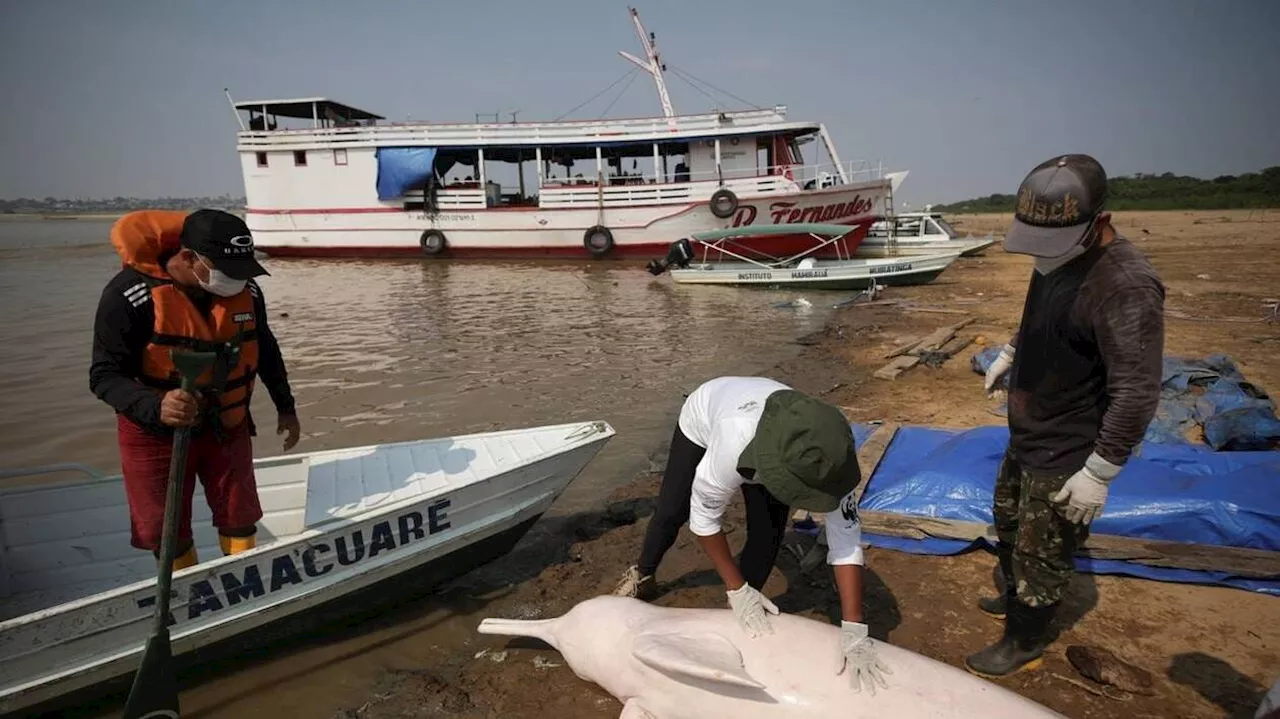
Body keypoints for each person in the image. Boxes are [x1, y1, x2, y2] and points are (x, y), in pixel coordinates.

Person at [969, 154, 1164, 678]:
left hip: (1070, 448)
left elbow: (1137, 390)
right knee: (1010, 521)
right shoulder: (1056, 257)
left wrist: (1099, 471)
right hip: (1031, 431)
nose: (1041, 255)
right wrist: (1013, 352)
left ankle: (1024, 636)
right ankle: (1014, 595)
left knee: (1044, 551)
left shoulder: (1124, 286)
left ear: (1098, 223)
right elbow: (1039, 309)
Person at [613, 376, 890, 694]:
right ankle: (644, 573)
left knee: (766, 539)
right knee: (671, 512)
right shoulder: (732, 442)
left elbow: (846, 543)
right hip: (707, 418)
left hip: (781, 442)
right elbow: (704, 520)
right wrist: (735, 587)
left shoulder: (831, 463)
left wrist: (854, 627)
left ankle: (741, 622)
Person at [90, 209, 300, 571]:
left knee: (239, 514)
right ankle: (185, 590)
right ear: (189, 258)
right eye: (228, 271)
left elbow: (263, 347)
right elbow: (104, 376)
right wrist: (156, 405)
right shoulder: (129, 296)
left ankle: (243, 580)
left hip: (226, 422)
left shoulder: (246, 289)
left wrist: (286, 406)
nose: (238, 281)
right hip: (156, 430)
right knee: (166, 529)